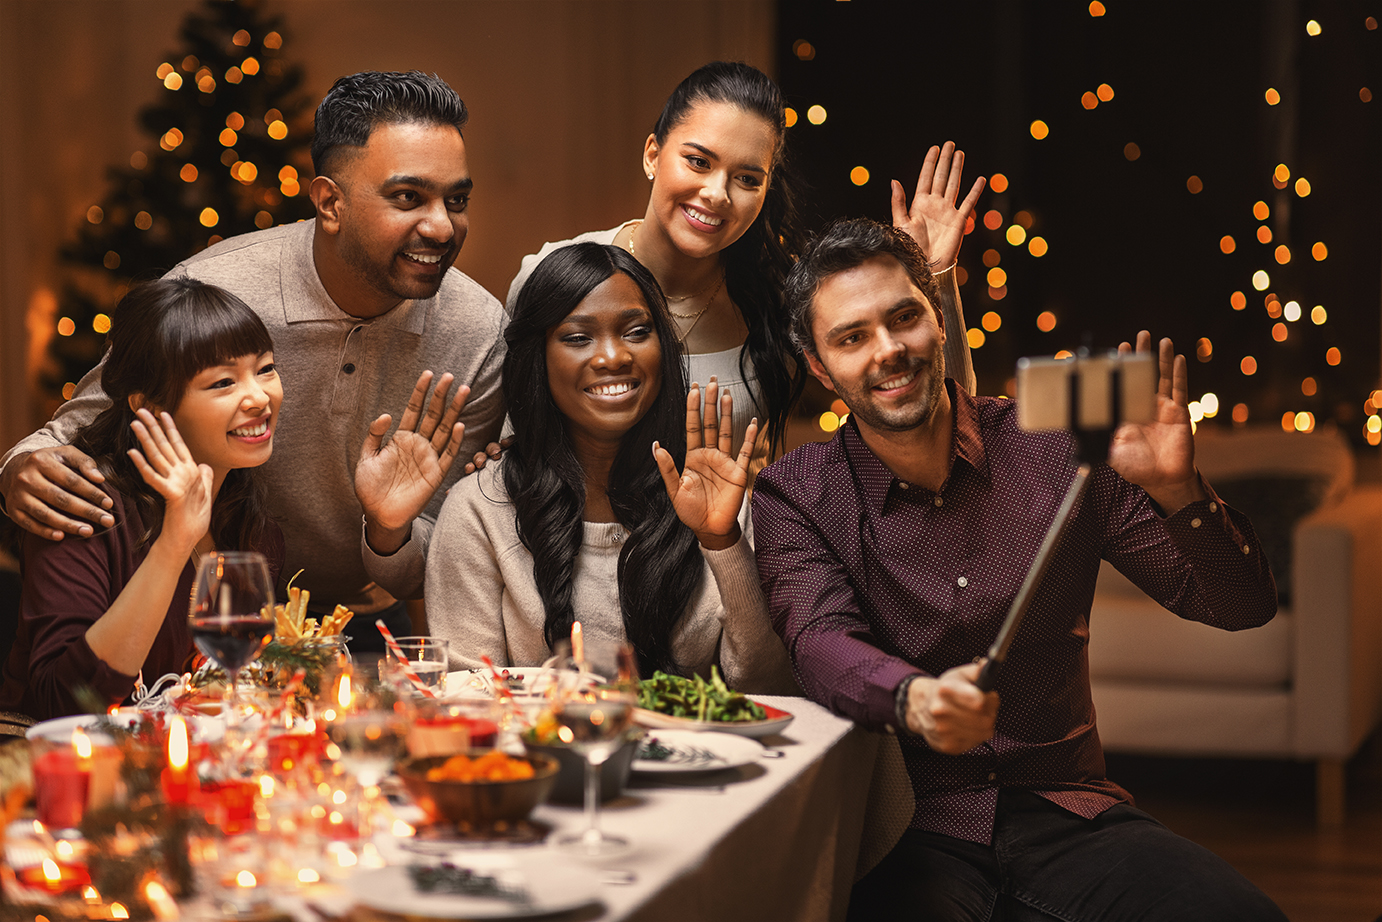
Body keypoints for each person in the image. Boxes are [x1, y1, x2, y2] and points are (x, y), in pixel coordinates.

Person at [751, 218, 1287, 921]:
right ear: (820, 368)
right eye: (852, 337)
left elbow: (1239, 606)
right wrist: (914, 699)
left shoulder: (1059, 451)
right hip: (907, 829)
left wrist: (1177, 491)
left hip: (1068, 815)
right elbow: (820, 643)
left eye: (904, 317)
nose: (888, 351)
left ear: (938, 320)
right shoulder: (794, 494)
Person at [0, 72, 505, 651]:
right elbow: (81, 427)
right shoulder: (215, 287)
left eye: (457, 200)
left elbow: (443, 556)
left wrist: (390, 533)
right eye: (408, 197)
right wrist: (20, 465)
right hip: (213, 609)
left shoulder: (479, 331)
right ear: (330, 202)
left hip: (361, 622)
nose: (442, 226)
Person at [504, 61, 983, 471]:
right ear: (653, 154)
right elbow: (509, 442)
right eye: (698, 162)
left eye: (747, 178)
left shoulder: (780, 296)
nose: (716, 193)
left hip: (733, 566)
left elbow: (940, 416)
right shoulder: (553, 274)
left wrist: (935, 278)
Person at [428, 243, 793, 691]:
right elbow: (465, 695)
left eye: (637, 332)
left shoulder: (711, 494)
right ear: (537, 358)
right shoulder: (479, 511)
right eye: (578, 338)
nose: (613, 357)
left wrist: (721, 541)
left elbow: (768, 686)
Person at [0, 278, 285, 721]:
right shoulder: (85, 510)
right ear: (150, 406)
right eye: (223, 382)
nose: (260, 397)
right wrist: (173, 546)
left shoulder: (251, 522)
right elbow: (66, 704)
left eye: (265, 369)